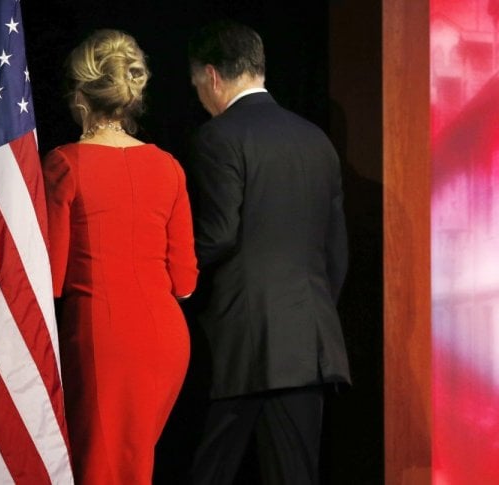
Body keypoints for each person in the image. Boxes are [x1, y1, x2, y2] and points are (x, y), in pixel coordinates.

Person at [185, 20, 351, 484]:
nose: (199, 95)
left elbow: (218, 235)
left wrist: (168, 274)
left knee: (209, 471)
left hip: (242, 343)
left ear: (213, 76)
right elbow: (336, 253)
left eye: (197, 84)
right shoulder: (317, 140)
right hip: (308, 342)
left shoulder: (217, 137)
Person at [42, 29, 198, 485]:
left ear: (79, 96)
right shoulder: (168, 165)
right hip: (166, 340)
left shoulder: (65, 163)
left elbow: (51, 278)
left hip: (102, 338)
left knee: (103, 471)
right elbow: (185, 281)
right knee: (129, 465)